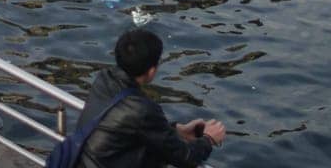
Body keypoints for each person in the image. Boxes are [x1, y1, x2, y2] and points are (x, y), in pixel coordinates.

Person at [74, 28, 225, 166]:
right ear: (152, 71)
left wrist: (177, 130)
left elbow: (129, 127)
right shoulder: (142, 109)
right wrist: (208, 139)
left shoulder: (104, 80)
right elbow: (184, 157)